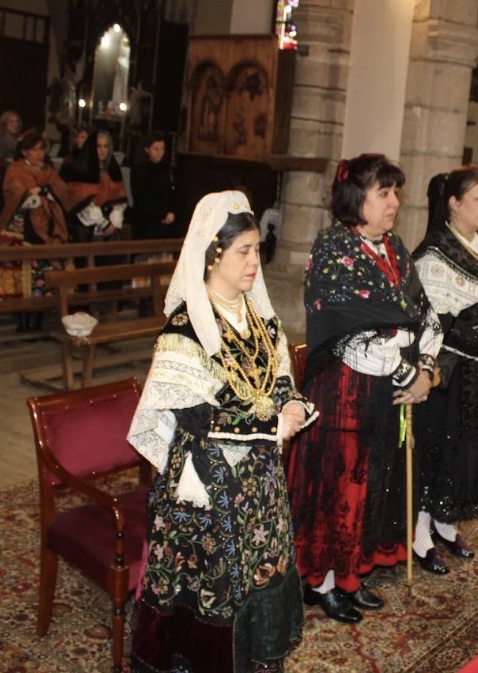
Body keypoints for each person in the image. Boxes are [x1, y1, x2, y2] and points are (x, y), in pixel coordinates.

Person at [127, 190, 315, 673]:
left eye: (256, 249)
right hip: (207, 483)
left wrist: (291, 402)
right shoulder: (184, 328)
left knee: (261, 570)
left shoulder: (259, 318)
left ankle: (255, 658)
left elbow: (277, 377)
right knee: (213, 584)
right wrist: (272, 423)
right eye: (243, 251)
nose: (255, 262)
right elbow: (196, 418)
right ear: (213, 255)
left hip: (260, 480)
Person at [286, 154, 443, 623]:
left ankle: (351, 573)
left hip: (385, 391)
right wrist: (409, 376)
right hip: (344, 390)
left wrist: (427, 371)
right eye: (384, 193)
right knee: (339, 485)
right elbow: (351, 334)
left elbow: (426, 315)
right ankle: (322, 582)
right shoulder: (333, 247)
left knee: (372, 482)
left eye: (397, 193)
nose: (395, 202)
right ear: (357, 198)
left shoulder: (394, 247)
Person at [412, 165, 478, 575]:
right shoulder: (434, 255)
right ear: (454, 203)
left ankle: (445, 520)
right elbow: (439, 323)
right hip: (449, 373)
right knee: (440, 448)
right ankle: (420, 532)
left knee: (464, 450)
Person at [0, 130, 71, 330]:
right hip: (22, 229)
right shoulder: (16, 170)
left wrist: (43, 190)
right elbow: (15, 193)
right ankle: (22, 319)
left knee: (42, 275)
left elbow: (62, 190)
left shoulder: (49, 171)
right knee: (23, 275)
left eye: (42, 150)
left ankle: (38, 319)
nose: (39, 154)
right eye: (35, 150)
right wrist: (34, 194)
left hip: (46, 229)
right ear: (25, 151)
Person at [63, 129, 127, 244]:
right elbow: (81, 202)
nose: (103, 150)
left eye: (106, 146)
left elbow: (120, 200)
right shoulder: (80, 171)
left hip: (111, 228)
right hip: (86, 229)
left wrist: (114, 222)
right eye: (99, 146)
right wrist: (104, 224)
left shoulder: (113, 170)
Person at [130, 132, 178, 239]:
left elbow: (174, 194)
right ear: (147, 149)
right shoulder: (139, 170)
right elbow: (141, 197)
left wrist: (172, 212)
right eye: (156, 149)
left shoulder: (167, 170)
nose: (159, 152)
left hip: (166, 223)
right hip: (146, 223)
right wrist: (161, 214)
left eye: (162, 149)